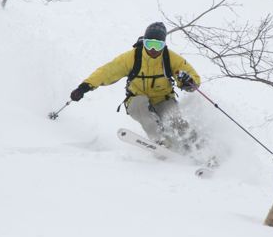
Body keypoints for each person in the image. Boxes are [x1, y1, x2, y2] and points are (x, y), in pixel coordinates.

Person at [70, 22, 201, 153]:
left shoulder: (171, 58)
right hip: (137, 99)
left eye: (158, 45)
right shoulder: (132, 57)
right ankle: (160, 141)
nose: (153, 50)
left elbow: (193, 78)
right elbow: (107, 71)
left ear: (164, 45)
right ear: (144, 42)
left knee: (176, 121)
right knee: (141, 108)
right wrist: (85, 87)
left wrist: (188, 82)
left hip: (163, 99)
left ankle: (197, 148)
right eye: (150, 44)